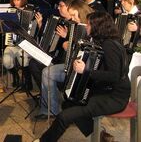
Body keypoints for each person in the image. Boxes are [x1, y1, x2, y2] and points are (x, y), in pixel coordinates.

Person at [35, 11, 131, 141]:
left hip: (115, 97)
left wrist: (85, 71)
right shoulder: (110, 41)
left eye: (89, 24)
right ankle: (101, 136)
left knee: (64, 116)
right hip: (108, 90)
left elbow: (115, 76)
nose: (86, 27)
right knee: (69, 103)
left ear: (98, 27)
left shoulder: (109, 45)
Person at [35, 0, 93, 120]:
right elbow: (76, 49)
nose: (72, 18)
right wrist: (69, 43)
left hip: (86, 69)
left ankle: (56, 108)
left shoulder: (91, 25)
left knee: (46, 71)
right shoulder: (76, 25)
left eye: (73, 15)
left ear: (81, 12)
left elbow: (89, 50)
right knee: (47, 71)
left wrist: (69, 44)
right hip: (72, 64)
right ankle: (50, 110)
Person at [3, 0, 43, 90]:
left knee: (23, 60)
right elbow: (6, 27)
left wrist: (39, 25)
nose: (15, 2)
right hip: (13, 43)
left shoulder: (31, 10)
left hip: (27, 44)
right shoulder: (10, 11)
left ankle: (27, 82)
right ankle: (16, 76)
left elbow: (36, 34)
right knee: (6, 61)